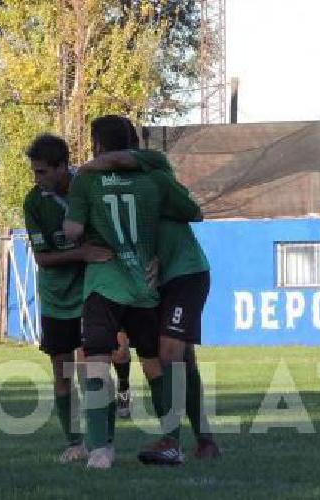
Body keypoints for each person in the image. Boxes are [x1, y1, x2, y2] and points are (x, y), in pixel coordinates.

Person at [76, 115, 221, 463]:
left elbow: (194, 212)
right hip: (149, 279)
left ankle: (172, 440)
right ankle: (204, 439)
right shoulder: (117, 184)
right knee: (180, 357)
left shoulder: (153, 172)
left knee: (170, 353)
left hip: (183, 272)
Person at [22, 133, 115, 464]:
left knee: (94, 370)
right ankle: (74, 442)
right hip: (55, 298)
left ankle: (103, 440)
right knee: (62, 373)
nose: (38, 179)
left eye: (43, 172)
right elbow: (43, 259)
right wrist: (83, 252)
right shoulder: (34, 203)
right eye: (34, 172)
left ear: (63, 167)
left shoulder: (87, 187)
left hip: (90, 294)